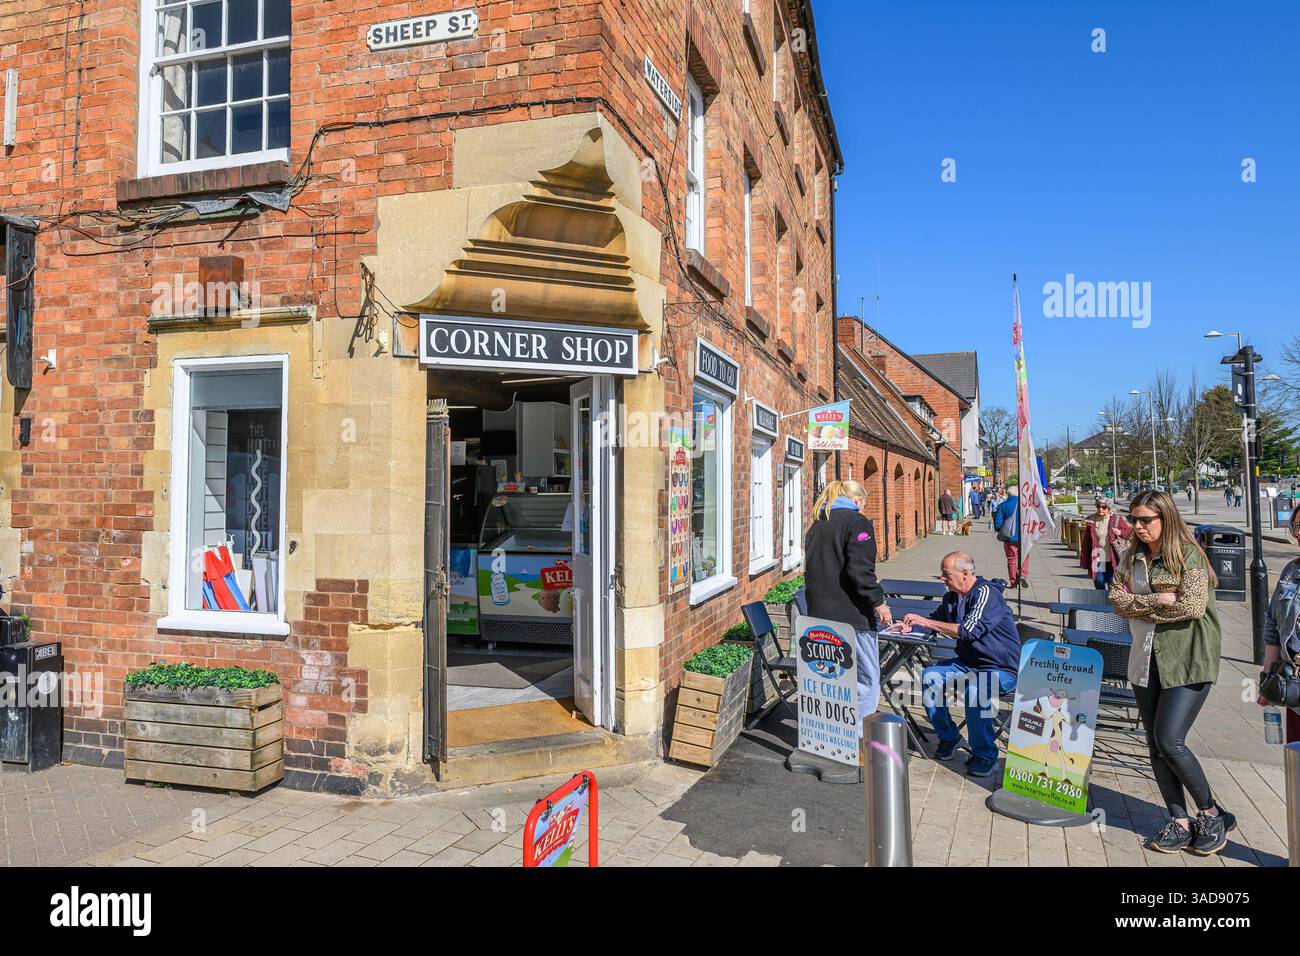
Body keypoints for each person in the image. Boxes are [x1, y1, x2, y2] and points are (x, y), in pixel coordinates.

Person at [1109, 490, 1235, 856]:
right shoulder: (1131, 556)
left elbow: (1192, 606)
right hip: (1145, 658)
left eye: (1145, 520)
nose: (1137, 526)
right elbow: (1117, 600)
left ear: (1165, 518)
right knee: (1154, 743)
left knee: (1170, 740)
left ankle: (1211, 814)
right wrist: (1155, 601)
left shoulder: (1189, 555)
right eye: (1134, 519)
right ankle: (1180, 821)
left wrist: (1139, 606)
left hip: (1188, 658)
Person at [893, 552, 1021, 778]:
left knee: (976, 688)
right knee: (931, 676)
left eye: (946, 574)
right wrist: (912, 627)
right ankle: (950, 737)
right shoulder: (952, 597)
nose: (942, 578)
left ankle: (986, 755)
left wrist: (927, 621)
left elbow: (969, 631)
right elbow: (935, 622)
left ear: (965, 573)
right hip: (969, 664)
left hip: (1002, 669)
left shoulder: (986, 594)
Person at [804, 479, 891, 727]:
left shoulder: (818, 524)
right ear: (857, 500)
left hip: (820, 616)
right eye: (863, 503)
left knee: (830, 679)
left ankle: (831, 734)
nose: (863, 508)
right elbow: (860, 571)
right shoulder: (856, 522)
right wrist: (878, 601)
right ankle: (859, 739)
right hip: (851, 616)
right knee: (865, 680)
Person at [1259, 507, 1300, 744]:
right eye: (1296, 526)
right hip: (1294, 689)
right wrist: (1268, 678)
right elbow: (1273, 625)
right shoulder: (1291, 571)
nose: (1299, 532)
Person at [1080, 496, 1132, 590]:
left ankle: (1111, 601)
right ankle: (1101, 600)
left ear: (1109, 508)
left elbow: (1129, 533)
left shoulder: (1116, 519)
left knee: (1112, 580)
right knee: (1099, 580)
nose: (1100, 509)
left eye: (1104, 507)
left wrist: (1120, 532)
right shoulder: (1091, 519)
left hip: (1113, 556)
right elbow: (1087, 540)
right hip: (1098, 554)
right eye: (1098, 506)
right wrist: (1085, 557)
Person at [993, 483, 1028, 588]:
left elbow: (998, 523)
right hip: (1024, 537)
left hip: (1009, 537)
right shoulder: (1024, 504)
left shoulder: (1002, 506)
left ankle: (1013, 581)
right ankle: (1023, 575)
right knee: (1025, 556)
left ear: (1008, 494)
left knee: (1011, 558)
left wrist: (1001, 531)